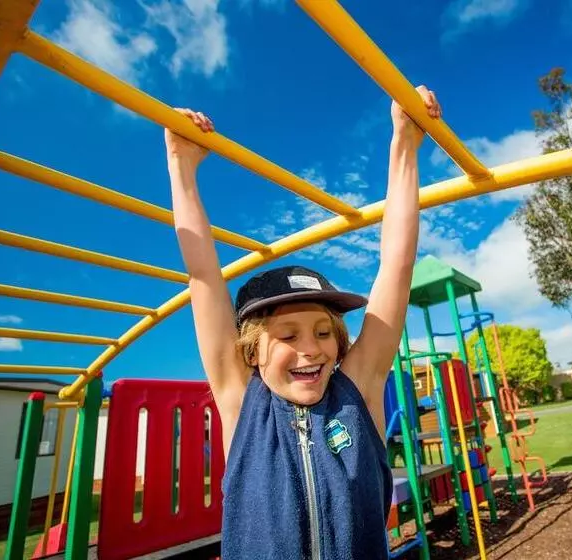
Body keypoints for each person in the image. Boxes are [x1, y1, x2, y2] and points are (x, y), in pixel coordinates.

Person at [164, 86, 441, 559]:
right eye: (288, 336)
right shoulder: (241, 401)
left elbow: (396, 266)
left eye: (323, 332)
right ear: (252, 351)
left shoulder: (357, 390)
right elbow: (204, 277)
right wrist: (181, 166)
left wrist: (405, 143)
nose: (310, 348)